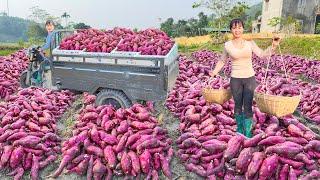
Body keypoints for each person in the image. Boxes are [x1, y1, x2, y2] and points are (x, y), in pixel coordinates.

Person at [210, 19, 281, 138]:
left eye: (239, 27)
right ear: (231, 30)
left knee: (247, 105)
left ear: (243, 29)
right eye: (234, 28)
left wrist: (273, 46)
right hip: (235, 79)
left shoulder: (250, 43)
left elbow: (262, 54)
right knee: (237, 105)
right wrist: (214, 72)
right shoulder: (227, 45)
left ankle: (247, 132)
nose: (237, 30)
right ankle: (239, 129)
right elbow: (222, 60)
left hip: (249, 78)